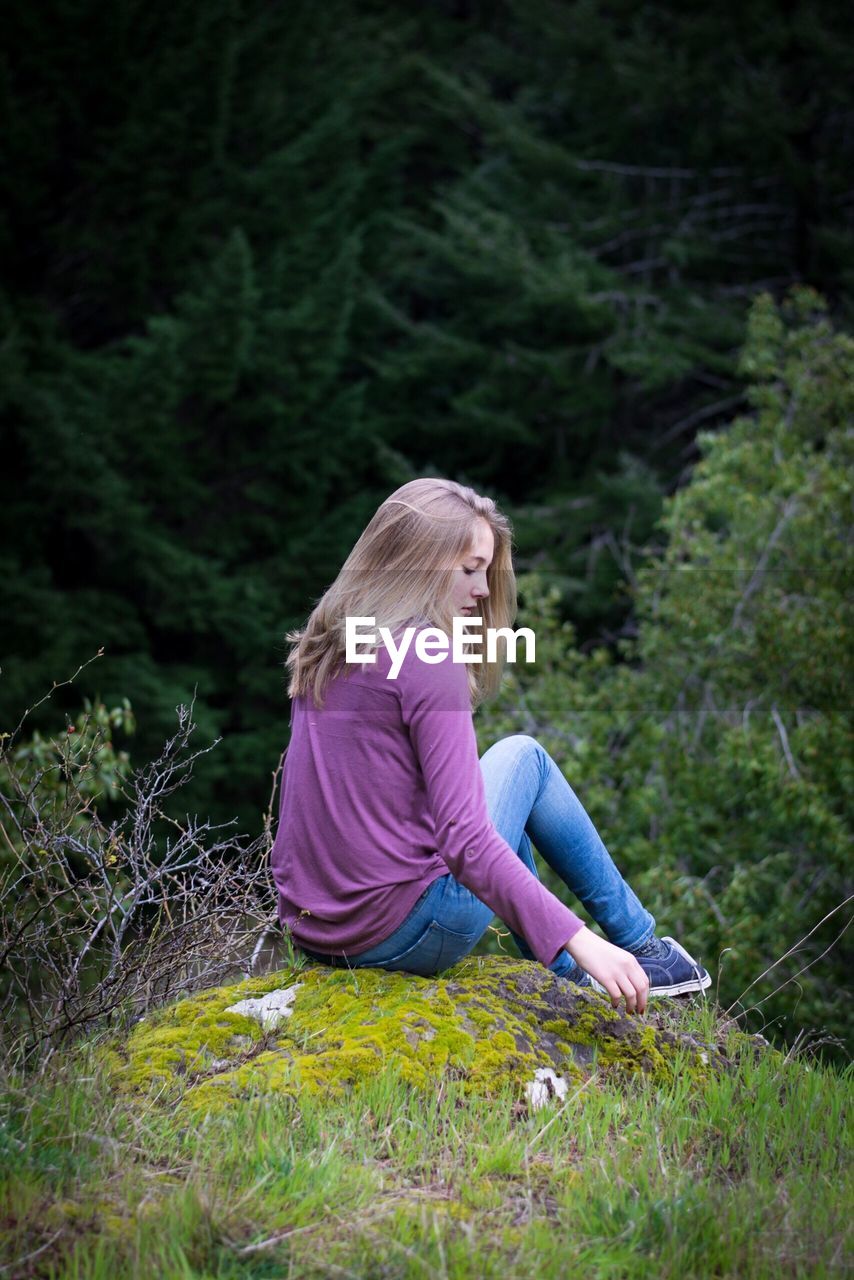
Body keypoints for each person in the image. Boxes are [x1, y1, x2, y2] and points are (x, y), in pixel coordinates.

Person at [270, 478, 711, 1016]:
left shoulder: (336, 638)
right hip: (403, 932)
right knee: (523, 759)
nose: (483, 590)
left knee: (504, 805)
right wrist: (583, 938)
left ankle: (569, 980)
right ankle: (640, 946)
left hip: (318, 934)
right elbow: (465, 840)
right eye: (470, 569)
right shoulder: (428, 658)